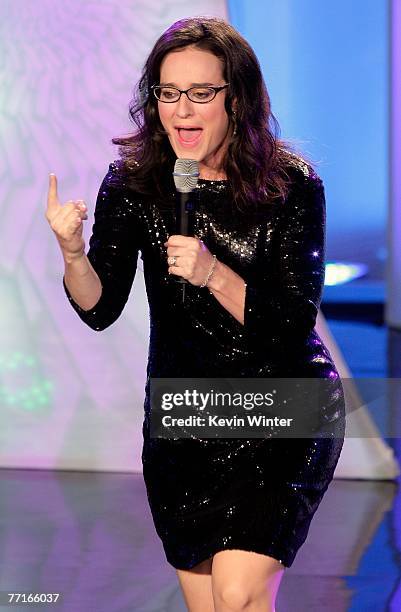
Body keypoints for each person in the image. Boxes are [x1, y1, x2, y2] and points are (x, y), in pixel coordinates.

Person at [46, 16, 345, 612]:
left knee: (238, 596)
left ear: (237, 99)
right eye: (168, 92)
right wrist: (74, 254)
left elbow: (289, 324)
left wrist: (212, 272)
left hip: (281, 405)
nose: (182, 109)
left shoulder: (291, 184)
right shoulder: (133, 185)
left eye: (201, 93)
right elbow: (100, 307)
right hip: (186, 417)